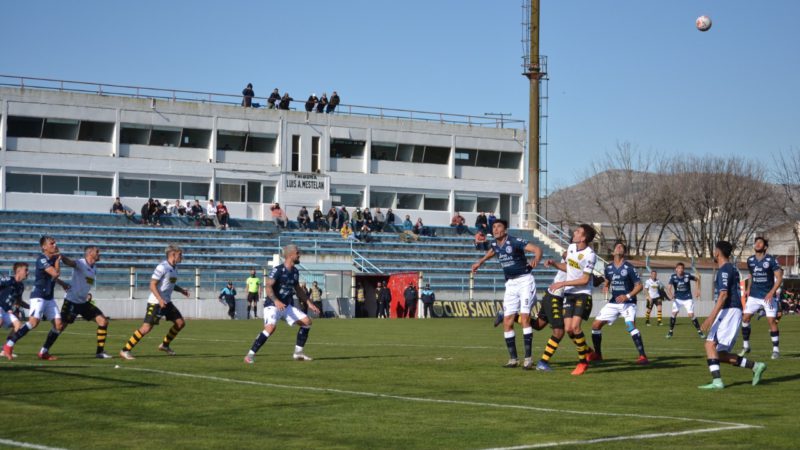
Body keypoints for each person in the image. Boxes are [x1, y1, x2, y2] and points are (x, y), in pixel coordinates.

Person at [472, 219, 543, 369]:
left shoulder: (515, 241)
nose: (496, 229)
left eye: (499, 227)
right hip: (510, 284)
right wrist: (480, 262)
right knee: (507, 322)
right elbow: (492, 251)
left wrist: (536, 258)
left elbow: (537, 249)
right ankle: (513, 359)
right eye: (494, 227)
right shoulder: (494, 244)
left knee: (525, 318)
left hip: (525, 281)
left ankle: (528, 359)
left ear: (505, 230)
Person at [698, 241, 767, 389]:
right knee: (719, 354)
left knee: (709, 345)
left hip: (729, 310)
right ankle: (755, 366)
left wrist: (710, 318)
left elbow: (723, 295)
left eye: (714, 250)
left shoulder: (724, 270)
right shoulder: (732, 269)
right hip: (732, 310)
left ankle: (717, 382)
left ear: (718, 252)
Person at [244, 245, 320, 363]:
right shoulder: (278, 270)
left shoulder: (295, 271)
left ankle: (298, 353)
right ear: (290, 255)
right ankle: (249, 355)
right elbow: (268, 286)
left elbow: (298, 289)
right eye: (297, 253)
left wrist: (309, 303)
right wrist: (276, 301)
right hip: (272, 305)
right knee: (270, 328)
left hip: (286, 306)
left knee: (307, 322)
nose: (299, 255)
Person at [38, 246, 113, 359]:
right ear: (89, 253)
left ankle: (100, 352)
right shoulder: (81, 263)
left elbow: (86, 281)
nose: (99, 254)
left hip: (83, 302)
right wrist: (61, 256)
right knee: (60, 327)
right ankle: (44, 350)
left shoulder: (94, 268)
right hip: (72, 301)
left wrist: (86, 294)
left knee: (103, 321)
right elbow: (69, 262)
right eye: (97, 252)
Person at [3, 236, 69, 361]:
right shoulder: (41, 259)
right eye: (51, 243)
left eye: (55, 243)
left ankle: (43, 352)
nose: (54, 245)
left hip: (49, 297)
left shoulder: (53, 257)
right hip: (39, 295)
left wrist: (63, 284)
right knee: (33, 322)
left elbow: (53, 277)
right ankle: (8, 345)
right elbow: (55, 274)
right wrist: (58, 261)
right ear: (44, 247)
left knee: (59, 325)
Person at [119, 245, 190, 360]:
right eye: (180, 254)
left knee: (180, 323)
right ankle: (125, 350)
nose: (182, 257)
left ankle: (165, 345)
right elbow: (152, 285)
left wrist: (181, 290)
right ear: (173, 254)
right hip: (156, 302)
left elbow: (170, 284)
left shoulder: (175, 268)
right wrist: (160, 300)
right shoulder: (162, 267)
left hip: (166, 302)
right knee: (146, 328)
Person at [544, 224, 598, 375]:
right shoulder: (572, 248)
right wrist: (554, 263)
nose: (574, 233)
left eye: (578, 231)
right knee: (568, 329)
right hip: (569, 293)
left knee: (575, 327)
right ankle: (588, 353)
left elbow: (585, 279)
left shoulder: (590, 255)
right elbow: (569, 268)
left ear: (584, 237)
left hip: (582, 293)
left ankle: (582, 363)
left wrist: (563, 283)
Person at [590, 242, 648, 365]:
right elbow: (608, 280)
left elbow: (639, 286)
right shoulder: (608, 268)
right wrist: (606, 285)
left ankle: (643, 356)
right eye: (617, 246)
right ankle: (598, 355)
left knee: (630, 326)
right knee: (595, 325)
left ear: (624, 253)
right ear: (613, 252)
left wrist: (627, 296)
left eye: (621, 247)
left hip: (628, 302)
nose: (619, 248)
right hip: (614, 301)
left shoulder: (629, 268)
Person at [740, 237, 783, 359]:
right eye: (756, 242)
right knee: (745, 319)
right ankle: (746, 346)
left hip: (768, 296)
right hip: (754, 295)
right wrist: (748, 288)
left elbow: (779, 278)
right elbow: (752, 275)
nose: (757, 244)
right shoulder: (750, 260)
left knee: (771, 321)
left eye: (760, 243)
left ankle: (775, 350)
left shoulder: (771, 260)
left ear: (765, 247)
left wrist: (771, 292)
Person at [666, 262, 704, 339]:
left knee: (691, 315)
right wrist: (671, 294)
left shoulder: (687, 275)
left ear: (683, 269)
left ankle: (699, 331)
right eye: (679, 268)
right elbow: (668, 287)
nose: (680, 270)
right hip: (678, 298)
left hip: (687, 298)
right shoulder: (673, 277)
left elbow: (697, 280)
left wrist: (698, 290)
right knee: (674, 313)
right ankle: (670, 331)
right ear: (676, 269)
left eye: (682, 268)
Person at [0, 263, 29, 357]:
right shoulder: (8, 280)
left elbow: (19, 301)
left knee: (18, 326)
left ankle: (6, 348)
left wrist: (31, 307)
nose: (28, 272)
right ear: (18, 271)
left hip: (5, 310)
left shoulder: (21, 286)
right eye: (26, 270)